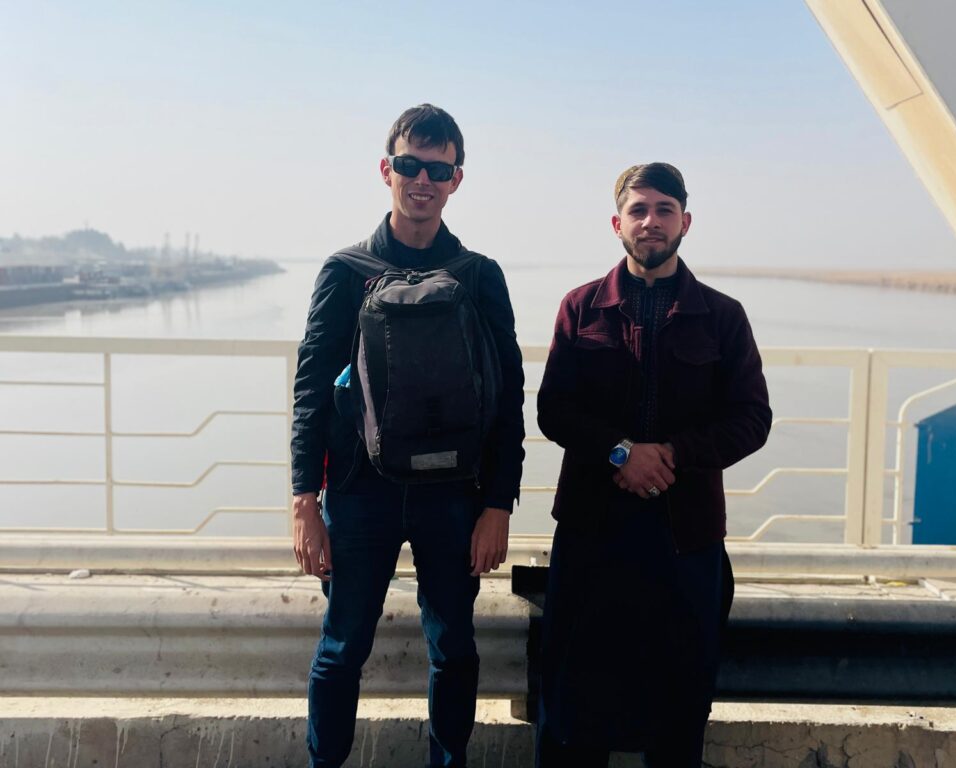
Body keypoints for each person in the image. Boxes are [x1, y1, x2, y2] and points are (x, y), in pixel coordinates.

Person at [290, 104, 525, 768]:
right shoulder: (345, 270)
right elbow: (311, 390)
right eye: (410, 166)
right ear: (386, 169)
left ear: (457, 179)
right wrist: (305, 502)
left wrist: (499, 504)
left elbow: (508, 395)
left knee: (454, 647)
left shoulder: (480, 276)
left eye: (439, 169)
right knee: (342, 647)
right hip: (360, 493)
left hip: (454, 495)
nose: (423, 181)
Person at [535, 162, 771, 767]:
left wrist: (671, 456)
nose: (650, 222)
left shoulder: (723, 316)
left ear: (685, 221)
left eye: (663, 210)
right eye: (638, 211)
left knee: (677, 718)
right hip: (592, 536)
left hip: (684, 539)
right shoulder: (580, 308)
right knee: (571, 717)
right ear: (617, 223)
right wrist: (619, 452)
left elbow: (751, 419)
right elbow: (553, 410)